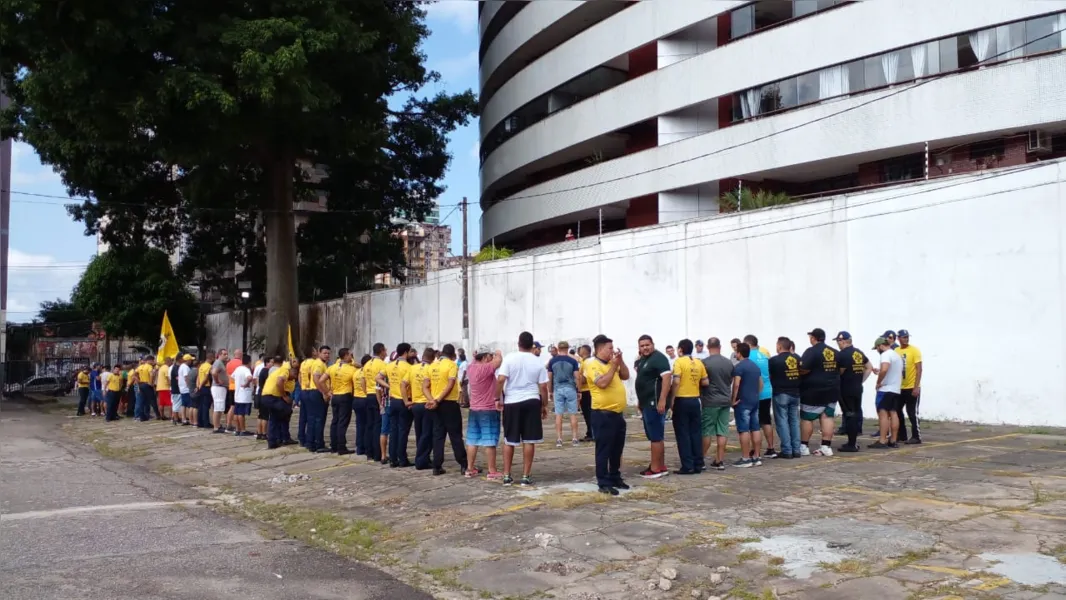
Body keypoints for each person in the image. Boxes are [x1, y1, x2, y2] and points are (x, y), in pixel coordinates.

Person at [497, 331, 549, 486]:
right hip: (532, 400)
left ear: (518, 343)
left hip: (512, 401)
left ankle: (507, 475)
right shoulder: (538, 361)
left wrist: (497, 398)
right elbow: (544, 386)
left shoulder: (509, 358)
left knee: (509, 440)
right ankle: (526, 476)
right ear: (532, 345)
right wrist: (544, 404)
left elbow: (500, 380)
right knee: (529, 440)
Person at [583, 334, 630, 495]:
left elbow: (625, 375)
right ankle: (603, 481)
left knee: (617, 448)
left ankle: (615, 476)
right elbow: (602, 383)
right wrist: (612, 367)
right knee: (604, 449)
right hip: (602, 414)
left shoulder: (613, 363)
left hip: (617, 413)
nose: (612, 351)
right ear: (600, 349)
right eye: (610, 348)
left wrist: (620, 361)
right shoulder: (591, 364)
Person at [425, 344, 468, 475]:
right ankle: (463, 464)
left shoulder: (432, 366)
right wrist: (438, 400)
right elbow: (450, 385)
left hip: (435, 404)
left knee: (438, 435)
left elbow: (425, 386)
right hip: (448, 403)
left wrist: (432, 400)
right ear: (452, 354)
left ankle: (437, 465)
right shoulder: (451, 365)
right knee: (455, 435)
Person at [633, 335, 671, 478]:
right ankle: (660, 465)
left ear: (653, 344)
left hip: (654, 403)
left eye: (647, 345)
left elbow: (667, 378)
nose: (645, 348)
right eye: (642, 346)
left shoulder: (659, 358)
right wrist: (640, 401)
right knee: (655, 436)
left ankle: (655, 469)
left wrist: (662, 400)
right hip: (646, 403)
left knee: (655, 436)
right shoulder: (643, 360)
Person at [798, 328, 839, 457]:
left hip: (813, 391)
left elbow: (803, 369)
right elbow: (842, 368)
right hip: (832, 389)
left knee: (807, 419)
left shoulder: (811, 351)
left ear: (813, 338)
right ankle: (826, 446)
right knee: (827, 416)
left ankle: (804, 446)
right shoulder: (834, 352)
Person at [465, 347, 503, 479]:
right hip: (488, 408)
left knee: (472, 440)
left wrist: (475, 356)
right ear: (486, 357)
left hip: (474, 408)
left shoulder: (471, 368)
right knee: (490, 440)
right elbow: (498, 361)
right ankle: (492, 470)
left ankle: (469, 468)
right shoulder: (485, 369)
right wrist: (498, 353)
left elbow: (474, 361)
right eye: (490, 356)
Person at [671, 339, 708, 475]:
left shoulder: (679, 362)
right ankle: (698, 463)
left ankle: (687, 465)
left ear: (680, 349)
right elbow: (705, 381)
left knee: (683, 433)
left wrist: (672, 399)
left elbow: (676, 381)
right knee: (696, 432)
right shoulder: (699, 362)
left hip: (682, 399)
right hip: (695, 399)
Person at [700, 338, 735, 470]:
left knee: (707, 431)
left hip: (710, 401)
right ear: (720, 346)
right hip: (725, 400)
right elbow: (731, 380)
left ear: (708, 347)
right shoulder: (728, 362)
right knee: (722, 431)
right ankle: (719, 460)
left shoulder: (704, 363)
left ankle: (701, 459)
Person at [835, 331, 872, 452]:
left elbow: (839, 372)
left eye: (838, 341)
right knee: (855, 414)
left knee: (849, 415)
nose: (837, 344)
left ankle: (851, 444)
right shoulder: (858, 352)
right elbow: (869, 367)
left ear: (843, 341)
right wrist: (860, 380)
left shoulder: (843, 355)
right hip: (857, 388)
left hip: (846, 389)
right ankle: (853, 441)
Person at [730, 344, 764, 467]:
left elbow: (736, 384)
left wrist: (733, 399)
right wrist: (756, 394)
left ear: (739, 353)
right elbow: (761, 383)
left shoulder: (739, 367)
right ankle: (756, 456)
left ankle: (745, 458)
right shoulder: (755, 366)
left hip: (743, 402)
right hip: (754, 400)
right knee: (755, 428)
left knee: (743, 430)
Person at [768, 337, 802, 459]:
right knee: (794, 421)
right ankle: (796, 449)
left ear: (779, 346)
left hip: (781, 393)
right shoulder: (797, 358)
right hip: (795, 393)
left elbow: (770, 375)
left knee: (782, 422)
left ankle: (787, 450)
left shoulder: (773, 361)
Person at [383, 343, 414, 468]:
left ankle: (393, 458)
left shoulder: (390, 365)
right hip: (403, 400)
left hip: (392, 399)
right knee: (403, 431)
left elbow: (377, 377)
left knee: (393, 430)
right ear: (406, 352)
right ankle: (402, 458)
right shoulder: (408, 367)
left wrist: (389, 386)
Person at [744, 335, 776, 458]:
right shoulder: (764, 356)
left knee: (754, 423)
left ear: (747, 344)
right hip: (767, 392)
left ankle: (754, 449)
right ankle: (771, 447)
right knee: (766, 420)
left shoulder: (748, 358)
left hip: (754, 392)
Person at [546, 341, 581, 448]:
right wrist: (579, 390)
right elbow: (577, 377)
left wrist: (550, 391)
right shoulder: (573, 361)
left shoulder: (552, 361)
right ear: (567, 348)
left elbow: (549, 377)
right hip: (570, 388)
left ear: (558, 349)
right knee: (573, 414)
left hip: (558, 389)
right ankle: (574, 438)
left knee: (558, 414)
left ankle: (559, 439)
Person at [870, 337, 904, 449]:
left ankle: (883, 440)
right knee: (893, 413)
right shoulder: (896, 355)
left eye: (877, 348)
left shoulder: (885, 355)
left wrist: (878, 382)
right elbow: (890, 371)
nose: (877, 351)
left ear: (880, 346)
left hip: (885, 390)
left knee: (883, 414)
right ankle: (893, 440)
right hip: (895, 389)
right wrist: (880, 372)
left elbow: (885, 369)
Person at [261, 356, 296, 449]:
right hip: (272, 397)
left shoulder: (278, 370)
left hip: (266, 396)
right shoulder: (285, 370)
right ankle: (282, 437)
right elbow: (279, 382)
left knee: (274, 418)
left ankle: (274, 441)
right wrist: (284, 396)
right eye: (295, 375)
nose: (294, 378)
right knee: (286, 412)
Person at [895, 329, 923, 444]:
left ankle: (916, 436)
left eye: (907, 337)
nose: (906, 339)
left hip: (911, 386)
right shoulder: (896, 351)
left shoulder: (914, 350)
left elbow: (919, 369)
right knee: (897, 410)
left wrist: (916, 387)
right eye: (903, 337)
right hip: (900, 387)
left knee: (912, 412)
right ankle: (902, 435)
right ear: (899, 338)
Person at [410, 348, 436, 470]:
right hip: (427, 403)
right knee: (427, 434)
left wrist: (406, 400)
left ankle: (423, 457)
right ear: (432, 358)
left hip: (415, 404)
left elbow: (403, 384)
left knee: (419, 433)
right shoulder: (431, 368)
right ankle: (421, 460)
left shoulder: (413, 368)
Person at [327, 348, 357, 454]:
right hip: (345, 396)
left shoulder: (332, 367)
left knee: (335, 420)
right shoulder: (351, 370)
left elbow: (321, 380)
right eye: (350, 355)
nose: (351, 357)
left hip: (335, 396)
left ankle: (333, 445)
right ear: (345, 356)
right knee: (342, 422)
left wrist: (327, 392)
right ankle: (341, 447)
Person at [303, 346, 332, 453]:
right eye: (324, 353)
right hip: (317, 393)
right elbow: (316, 379)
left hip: (312, 392)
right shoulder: (319, 364)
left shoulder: (319, 363)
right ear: (319, 353)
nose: (327, 355)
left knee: (312, 419)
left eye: (328, 353)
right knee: (319, 419)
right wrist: (324, 392)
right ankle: (318, 443)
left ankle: (310, 442)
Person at [364, 344, 389, 464]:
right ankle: (377, 453)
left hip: (368, 395)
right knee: (378, 425)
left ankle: (369, 452)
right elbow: (381, 382)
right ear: (381, 351)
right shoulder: (382, 365)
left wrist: (365, 392)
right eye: (385, 350)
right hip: (377, 396)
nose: (386, 353)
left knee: (369, 424)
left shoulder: (367, 363)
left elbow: (363, 380)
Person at [231, 353, 254, 436]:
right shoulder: (246, 370)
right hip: (244, 395)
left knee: (237, 413)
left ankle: (237, 429)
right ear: (249, 362)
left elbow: (232, 376)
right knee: (241, 414)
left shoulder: (238, 369)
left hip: (237, 394)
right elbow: (250, 378)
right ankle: (243, 430)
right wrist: (246, 384)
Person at [351, 354, 368, 456]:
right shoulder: (365, 372)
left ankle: (359, 447)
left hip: (356, 398)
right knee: (367, 424)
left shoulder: (356, 372)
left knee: (359, 424)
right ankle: (365, 446)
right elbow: (363, 384)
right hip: (364, 398)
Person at [577, 344, 594, 441]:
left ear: (584, 351)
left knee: (588, 414)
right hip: (591, 391)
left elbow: (584, 378)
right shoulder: (591, 361)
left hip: (585, 391)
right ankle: (591, 432)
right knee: (590, 413)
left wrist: (577, 379)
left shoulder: (585, 362)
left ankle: (591, 433)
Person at [210, 349, 230, 433]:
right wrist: (218, 381)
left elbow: (212, 371)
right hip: (218, 387)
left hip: (220, 387)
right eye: (224, 354)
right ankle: (216, 427)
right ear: (219, 355)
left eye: (226, 354)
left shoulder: (219, 363)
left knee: (219, 407)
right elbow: (214, 372)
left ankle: (217, 425)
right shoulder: (218, 362)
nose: (226, 356)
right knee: (218, 407)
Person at [224, 349, 244, 432]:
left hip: (231, 386)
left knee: (232, 406)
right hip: (239, 387)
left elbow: (228, 375)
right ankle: (238, 427)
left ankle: (228, 424)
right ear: (240, 355)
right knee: (238, 407)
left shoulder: (228, 363)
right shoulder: (241, 364)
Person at [254, 357, 273, 439]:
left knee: (260, 415)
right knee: (265, 415)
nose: (272, 364)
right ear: (267, 363)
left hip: (260, 393)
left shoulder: (262, 371)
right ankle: (264, 433)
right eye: (271, 362)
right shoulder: (266, 372)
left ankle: (259, 432)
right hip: (264, 394)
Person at [196, 352, 215, 428]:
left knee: (200, 405)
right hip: (206, 387)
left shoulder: (201, 366)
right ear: (211, 358)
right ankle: (206, 423)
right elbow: (206, 377)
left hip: (201, 387)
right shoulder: (209, 366)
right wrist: (201, 385)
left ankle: (200, 422)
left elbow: (198, 377)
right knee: (206, 406)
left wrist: (198, 386)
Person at [177, 354, 194, 426]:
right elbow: (186, 377)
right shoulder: (186, 367)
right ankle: (191, 420)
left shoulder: (181, 366)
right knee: (190, 405)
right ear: (188, 360)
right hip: (186, 388)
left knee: (183, 404)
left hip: (182, 388)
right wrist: (189, 386)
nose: (191, 361)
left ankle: (183, 419)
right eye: (191, 360)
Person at [156, 357, 173, 422]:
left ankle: (162, 415)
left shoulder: (161, 368)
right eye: (171, 361)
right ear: (168, 361)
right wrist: (171, 385)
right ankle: (171, 416)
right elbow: (168, 378)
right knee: (170, 403)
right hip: (166, 387)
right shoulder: (167, 368)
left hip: (160, 387)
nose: (172, 363)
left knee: (161, 403)